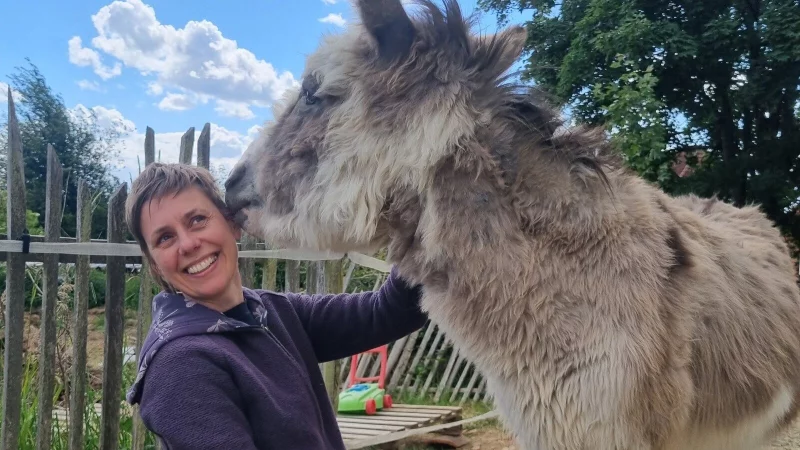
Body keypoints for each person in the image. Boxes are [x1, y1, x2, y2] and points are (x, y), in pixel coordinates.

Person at [123, 162, 428, 450]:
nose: (188, 244)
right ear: (154, 265)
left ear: (233, 225)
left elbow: (387, 313)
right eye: (165, 238)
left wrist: (429, 214)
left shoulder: (272, 313)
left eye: (197, 220)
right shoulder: (182, 365)